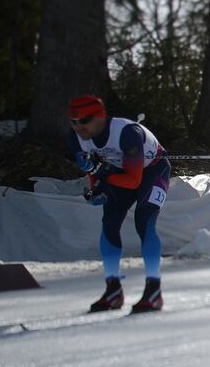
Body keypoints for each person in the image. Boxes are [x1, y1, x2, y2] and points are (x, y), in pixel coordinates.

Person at [64, 94, 171, 313]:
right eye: (73, 121)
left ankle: (154, 289)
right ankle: (113, 289)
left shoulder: (126, 133)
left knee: (145, 221)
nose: (78, 127)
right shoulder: (75, 137)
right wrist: (96, 188)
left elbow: (133, 181)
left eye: (84, 120)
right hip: (118, 172)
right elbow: (90, 165)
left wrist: (100, 172)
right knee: (109, 223)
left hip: (152, 171)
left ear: (100, 116)